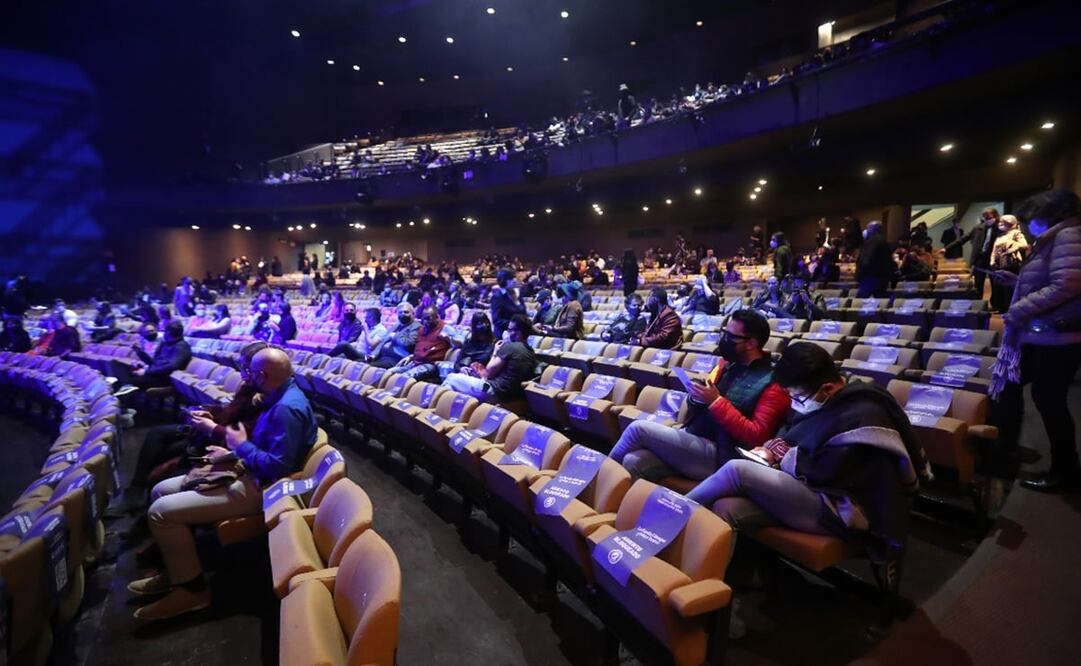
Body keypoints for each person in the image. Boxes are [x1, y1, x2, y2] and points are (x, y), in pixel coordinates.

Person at [687, 342, 930, 557]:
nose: (794, 403)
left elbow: (831, 471)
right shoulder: (823, 396)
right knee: (727, 507)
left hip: (843, 507)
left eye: (798, 397)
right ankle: (708, 576)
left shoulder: (864, 414)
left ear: (826, 388)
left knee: (736, 470)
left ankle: (674, 512)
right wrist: (773, 448)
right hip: (807, 490)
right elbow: (793, 429)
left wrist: (783, 455)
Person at [129, 348, 317, 620]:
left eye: (251, 372)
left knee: (160, 513)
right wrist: (234, 451)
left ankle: (191, 591)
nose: (247, 376)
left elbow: (278, 466)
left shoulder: (286, 408)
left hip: (265, 488)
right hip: (249, 470)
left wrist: (240, 446)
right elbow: (265, 448)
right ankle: (177, 570)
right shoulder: (278, 395)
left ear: (262, 375)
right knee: (160, 490)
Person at [610, 310, 789, 481]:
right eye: (724, 332)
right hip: (695, 436)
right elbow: (700, 405)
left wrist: (716, 402)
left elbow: (756, 436)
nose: (724, 339)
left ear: (751, 343)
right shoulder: (727, 364)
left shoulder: (773, 383)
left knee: (638, 428)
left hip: (723, 453)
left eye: (731, 336)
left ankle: (599, 478)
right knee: (634, 461)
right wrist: (696, 396)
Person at [106, 341, 269, 517]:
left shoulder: (266, 400)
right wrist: (208, 411)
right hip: (213, 431)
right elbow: (229, 410)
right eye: (242, 368)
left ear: (261, 372)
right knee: (157, 435)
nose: (243, 375)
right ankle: (136, 492)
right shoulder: (249, 388)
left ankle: (144, 508)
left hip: (224, 445)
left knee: (166, 454)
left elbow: (244, 435)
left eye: (246, 369)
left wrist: (212, 427)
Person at [991, 189, 1081, 492]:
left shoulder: (1068, 235)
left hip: (1057, 336)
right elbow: (1052, 280)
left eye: (1034, 218)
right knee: (1013, 386)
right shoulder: (1057, 237)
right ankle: (1005, 449)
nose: (1030, 224)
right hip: (1042, 333)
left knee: (1048, 399)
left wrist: (1018, 308)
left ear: (1051, 213)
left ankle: (1066, 469)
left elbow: (1067, 284)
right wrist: (1018, 282)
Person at [442, 313, 537, 403]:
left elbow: (489, 372)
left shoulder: (510, 347)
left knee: (450, 378)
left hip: (495, 391)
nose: (507, 332)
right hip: (511, 394)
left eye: (509, 329)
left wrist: (495, 351)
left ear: (517, 333)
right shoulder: (531, 352)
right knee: (453, 387)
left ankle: (437, 406)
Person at [114, 321, 192, 396]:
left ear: (168, 333)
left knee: (128, 380)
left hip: (162, 378)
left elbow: (172, 367)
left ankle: (126, 393)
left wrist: (146, 372)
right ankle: (125, 389)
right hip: (152, 373)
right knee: (117, 365)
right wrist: (140, 352)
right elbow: (154, 362)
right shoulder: (165, 344)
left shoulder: (181, 347)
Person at [389, 305, 449, 381]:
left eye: (428, 319)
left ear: (437, 317)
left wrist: (449, 339)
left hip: (430, 364)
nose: (426, 322)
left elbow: (460, 343)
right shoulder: (422, 329)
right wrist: (411, 356)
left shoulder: (445, 328)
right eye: (424, 319)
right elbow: (420, 348)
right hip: (416, 361)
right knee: (389, 373)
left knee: (404, 378)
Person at [989, 214, 1028, 313]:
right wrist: (992, 261)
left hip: (1011, 264)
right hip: (999, 264)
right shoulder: (1000, 235)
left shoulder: (1016, 233)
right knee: (999, 287)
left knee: (1009, 288)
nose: (1000, 224)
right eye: (1000, 222)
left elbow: (1024, 245)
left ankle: (1009, 308)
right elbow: (994, 250)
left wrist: (1012, 248)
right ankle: (1000, 308)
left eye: (1003, 222)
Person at [369, 302, 421, 368]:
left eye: (406, 312)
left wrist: (395, 336)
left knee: (368, 367)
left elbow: (408, 344)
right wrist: (373, 355)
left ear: (413, 313)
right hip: (381, 356)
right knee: (360, 361)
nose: (403, 314)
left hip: (396, 359)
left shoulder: (416, 326)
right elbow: (383, 341)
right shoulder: (396, 325)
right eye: (400, 312)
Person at [855, 220, 896, 298]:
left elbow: (868, 259)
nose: (866, 230)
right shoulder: (882, 241)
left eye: (868, 228)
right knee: (879, 299)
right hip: (880, 276)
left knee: (861, 300)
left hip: (871, 276)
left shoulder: (874, 241)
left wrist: (860, 273)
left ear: (874, 229)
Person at [490, 268, 527, 337]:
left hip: (521, 332)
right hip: (505, 334)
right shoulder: (497, 297)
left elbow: (524, 313)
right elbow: (497, 320)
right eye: (511, 279)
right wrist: (515, 324)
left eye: (514, 278)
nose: (514, 280)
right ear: (504, 281)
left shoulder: (518, 293)